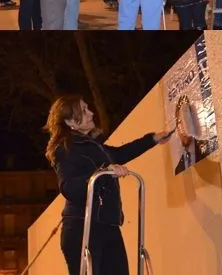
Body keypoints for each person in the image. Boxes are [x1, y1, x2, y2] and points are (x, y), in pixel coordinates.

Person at [44, 95, 170, 275]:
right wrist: (103, 173)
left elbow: (120, 153)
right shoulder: (65, 149)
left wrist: (152, 139)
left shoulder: (93, 146)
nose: (91, 113)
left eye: (88, 108)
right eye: (84, 111)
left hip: (107, 225)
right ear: (71, 121)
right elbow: (69, 188)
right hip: (83, 227)